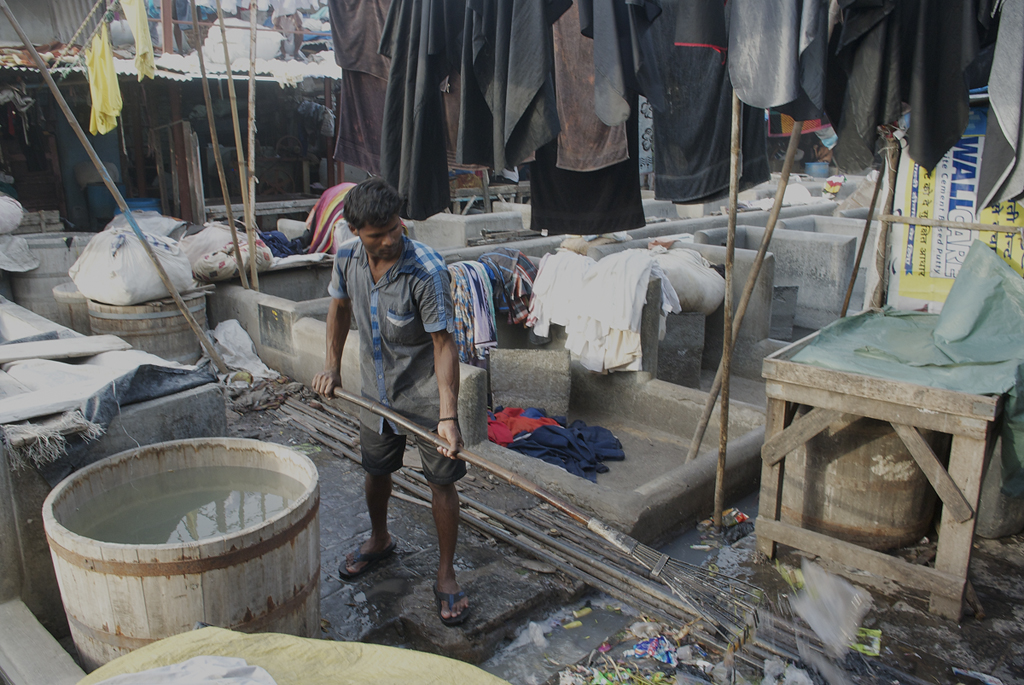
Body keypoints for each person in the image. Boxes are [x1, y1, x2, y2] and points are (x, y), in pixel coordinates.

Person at [311, 177, 469, 626]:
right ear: (355, 231)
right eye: (376, 234)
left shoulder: (427, 270)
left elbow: (443, 344)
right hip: (375, 394)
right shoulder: (346, 258)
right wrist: (332, 365)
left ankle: (445, 572)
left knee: (441, 483)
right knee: (376, 471)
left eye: (394, 228)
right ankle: (380, 539)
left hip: (424, 399)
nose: (388, 240)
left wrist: (448, 417)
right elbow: (339, 309)